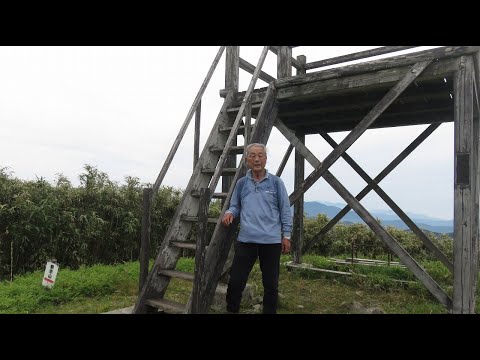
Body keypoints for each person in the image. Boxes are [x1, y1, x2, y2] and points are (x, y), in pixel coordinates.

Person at [222, 143, 292, 314]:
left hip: (271, 241)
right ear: (247, 160)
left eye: (260, 155)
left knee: (270, 284)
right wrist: (230, 212)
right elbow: (235, 205)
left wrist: (287, 235)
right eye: (252, 156)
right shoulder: (241, 183)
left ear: (266, 159)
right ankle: (232, 311)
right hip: (246, 240)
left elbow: (285, 209)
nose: (257, 159)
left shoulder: (276, 183)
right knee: (236, 281)